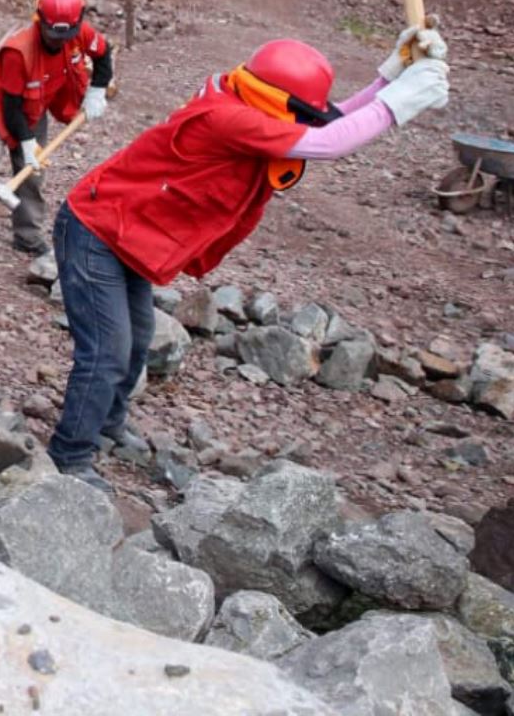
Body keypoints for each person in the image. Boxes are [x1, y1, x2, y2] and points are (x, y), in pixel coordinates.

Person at [47, 29, 450, 491]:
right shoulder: (228, 118)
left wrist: (391, 75)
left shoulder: (251, 99)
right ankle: (69, 455)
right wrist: (398, 103)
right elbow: (329, 140)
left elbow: (322, 121)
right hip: (96, 229)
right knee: (107, 352)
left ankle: (105, 425)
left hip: (129, 234)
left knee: (137, 342)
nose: (304, 118)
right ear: (278, 100)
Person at [0, 0, 113, 256]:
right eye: (53, 36)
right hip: (2, 110)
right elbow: (11, 106)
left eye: (65, 36)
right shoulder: (19, 52)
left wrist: (97, 91)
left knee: (33, 175)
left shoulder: (79, 33)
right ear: (40, 21)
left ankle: (27, 235)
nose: (59, 42)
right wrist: (26, 143)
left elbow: (103, 53)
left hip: (37, 107)